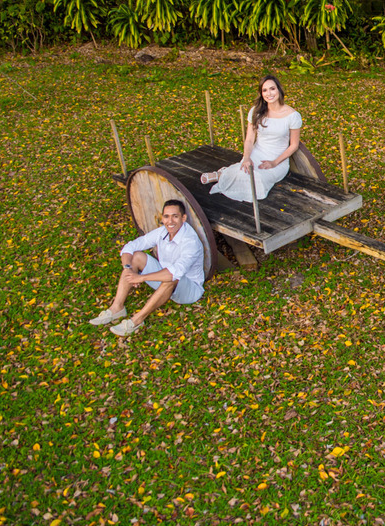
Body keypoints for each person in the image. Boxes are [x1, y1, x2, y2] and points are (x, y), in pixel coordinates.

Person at [90, 199, 204, 337]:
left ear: (183, 218)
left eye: (175, 216)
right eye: (166, 216)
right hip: (164, 280)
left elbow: (175, 273)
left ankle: (137, 320)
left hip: (189, 289)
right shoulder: (162, 232)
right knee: (136, 256)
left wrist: (141, 277)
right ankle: (117, 308)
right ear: (162, 218)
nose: (170, 221)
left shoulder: (190, 241)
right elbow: (130, 247)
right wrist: (128, 269)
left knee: (172, 277)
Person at [201, 74, 302, 202]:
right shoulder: (256, 111)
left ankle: (224, 174)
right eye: (264, 90)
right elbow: (249, 139)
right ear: (261, 93)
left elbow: (294, 145)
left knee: (258, 181)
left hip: (278, 160)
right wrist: (247, 157)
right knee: (245, 171)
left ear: (279, 90)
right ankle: (222, 174)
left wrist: (274, 162)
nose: (269, 93)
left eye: (272, 89)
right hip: (257, 153)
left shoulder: (292, 115)